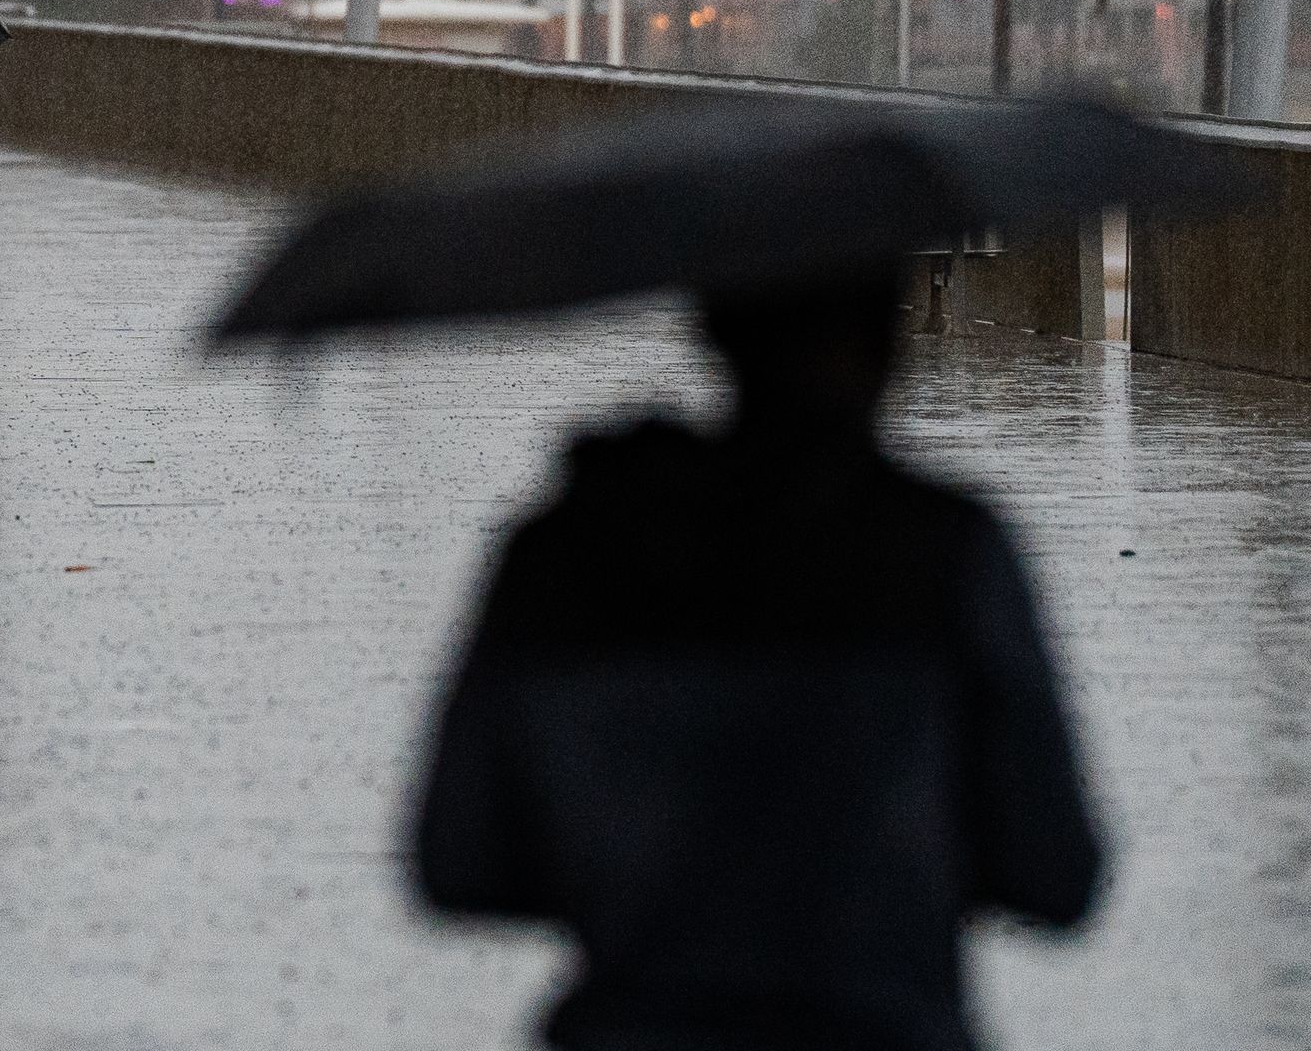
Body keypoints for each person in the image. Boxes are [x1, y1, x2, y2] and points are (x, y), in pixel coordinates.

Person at [413, 270, 1105, 1051]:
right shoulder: (944, 555)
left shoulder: (566, 555)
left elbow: (457, 864)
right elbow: (1057, 875)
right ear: (887, 342)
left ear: (709, 331)